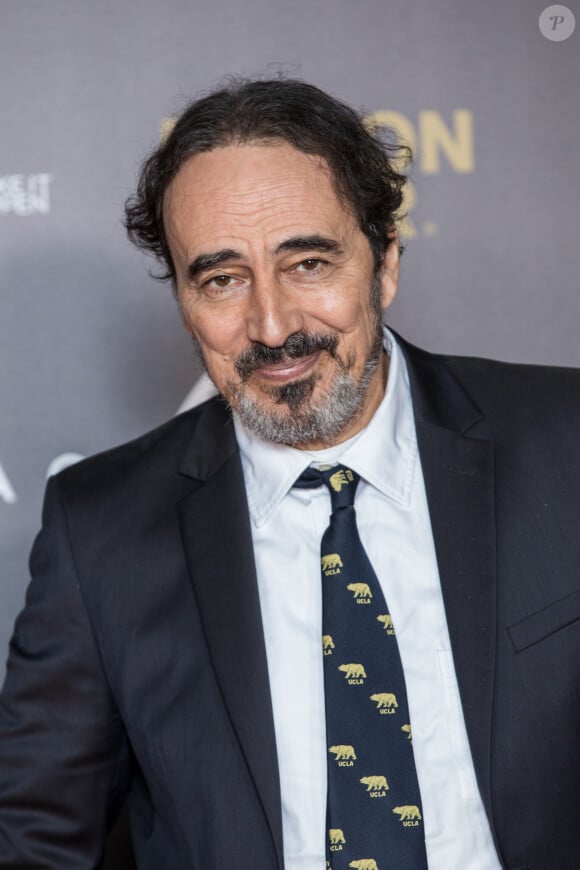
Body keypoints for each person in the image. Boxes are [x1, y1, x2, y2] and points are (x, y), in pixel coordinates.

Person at [1, 78, 579, 870]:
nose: (272, 326)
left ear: (385, 265)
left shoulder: (565, 444)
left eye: (307, 263)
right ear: (183, 298)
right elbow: (36, 840)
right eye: (222, 279)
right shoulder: (98, 530)